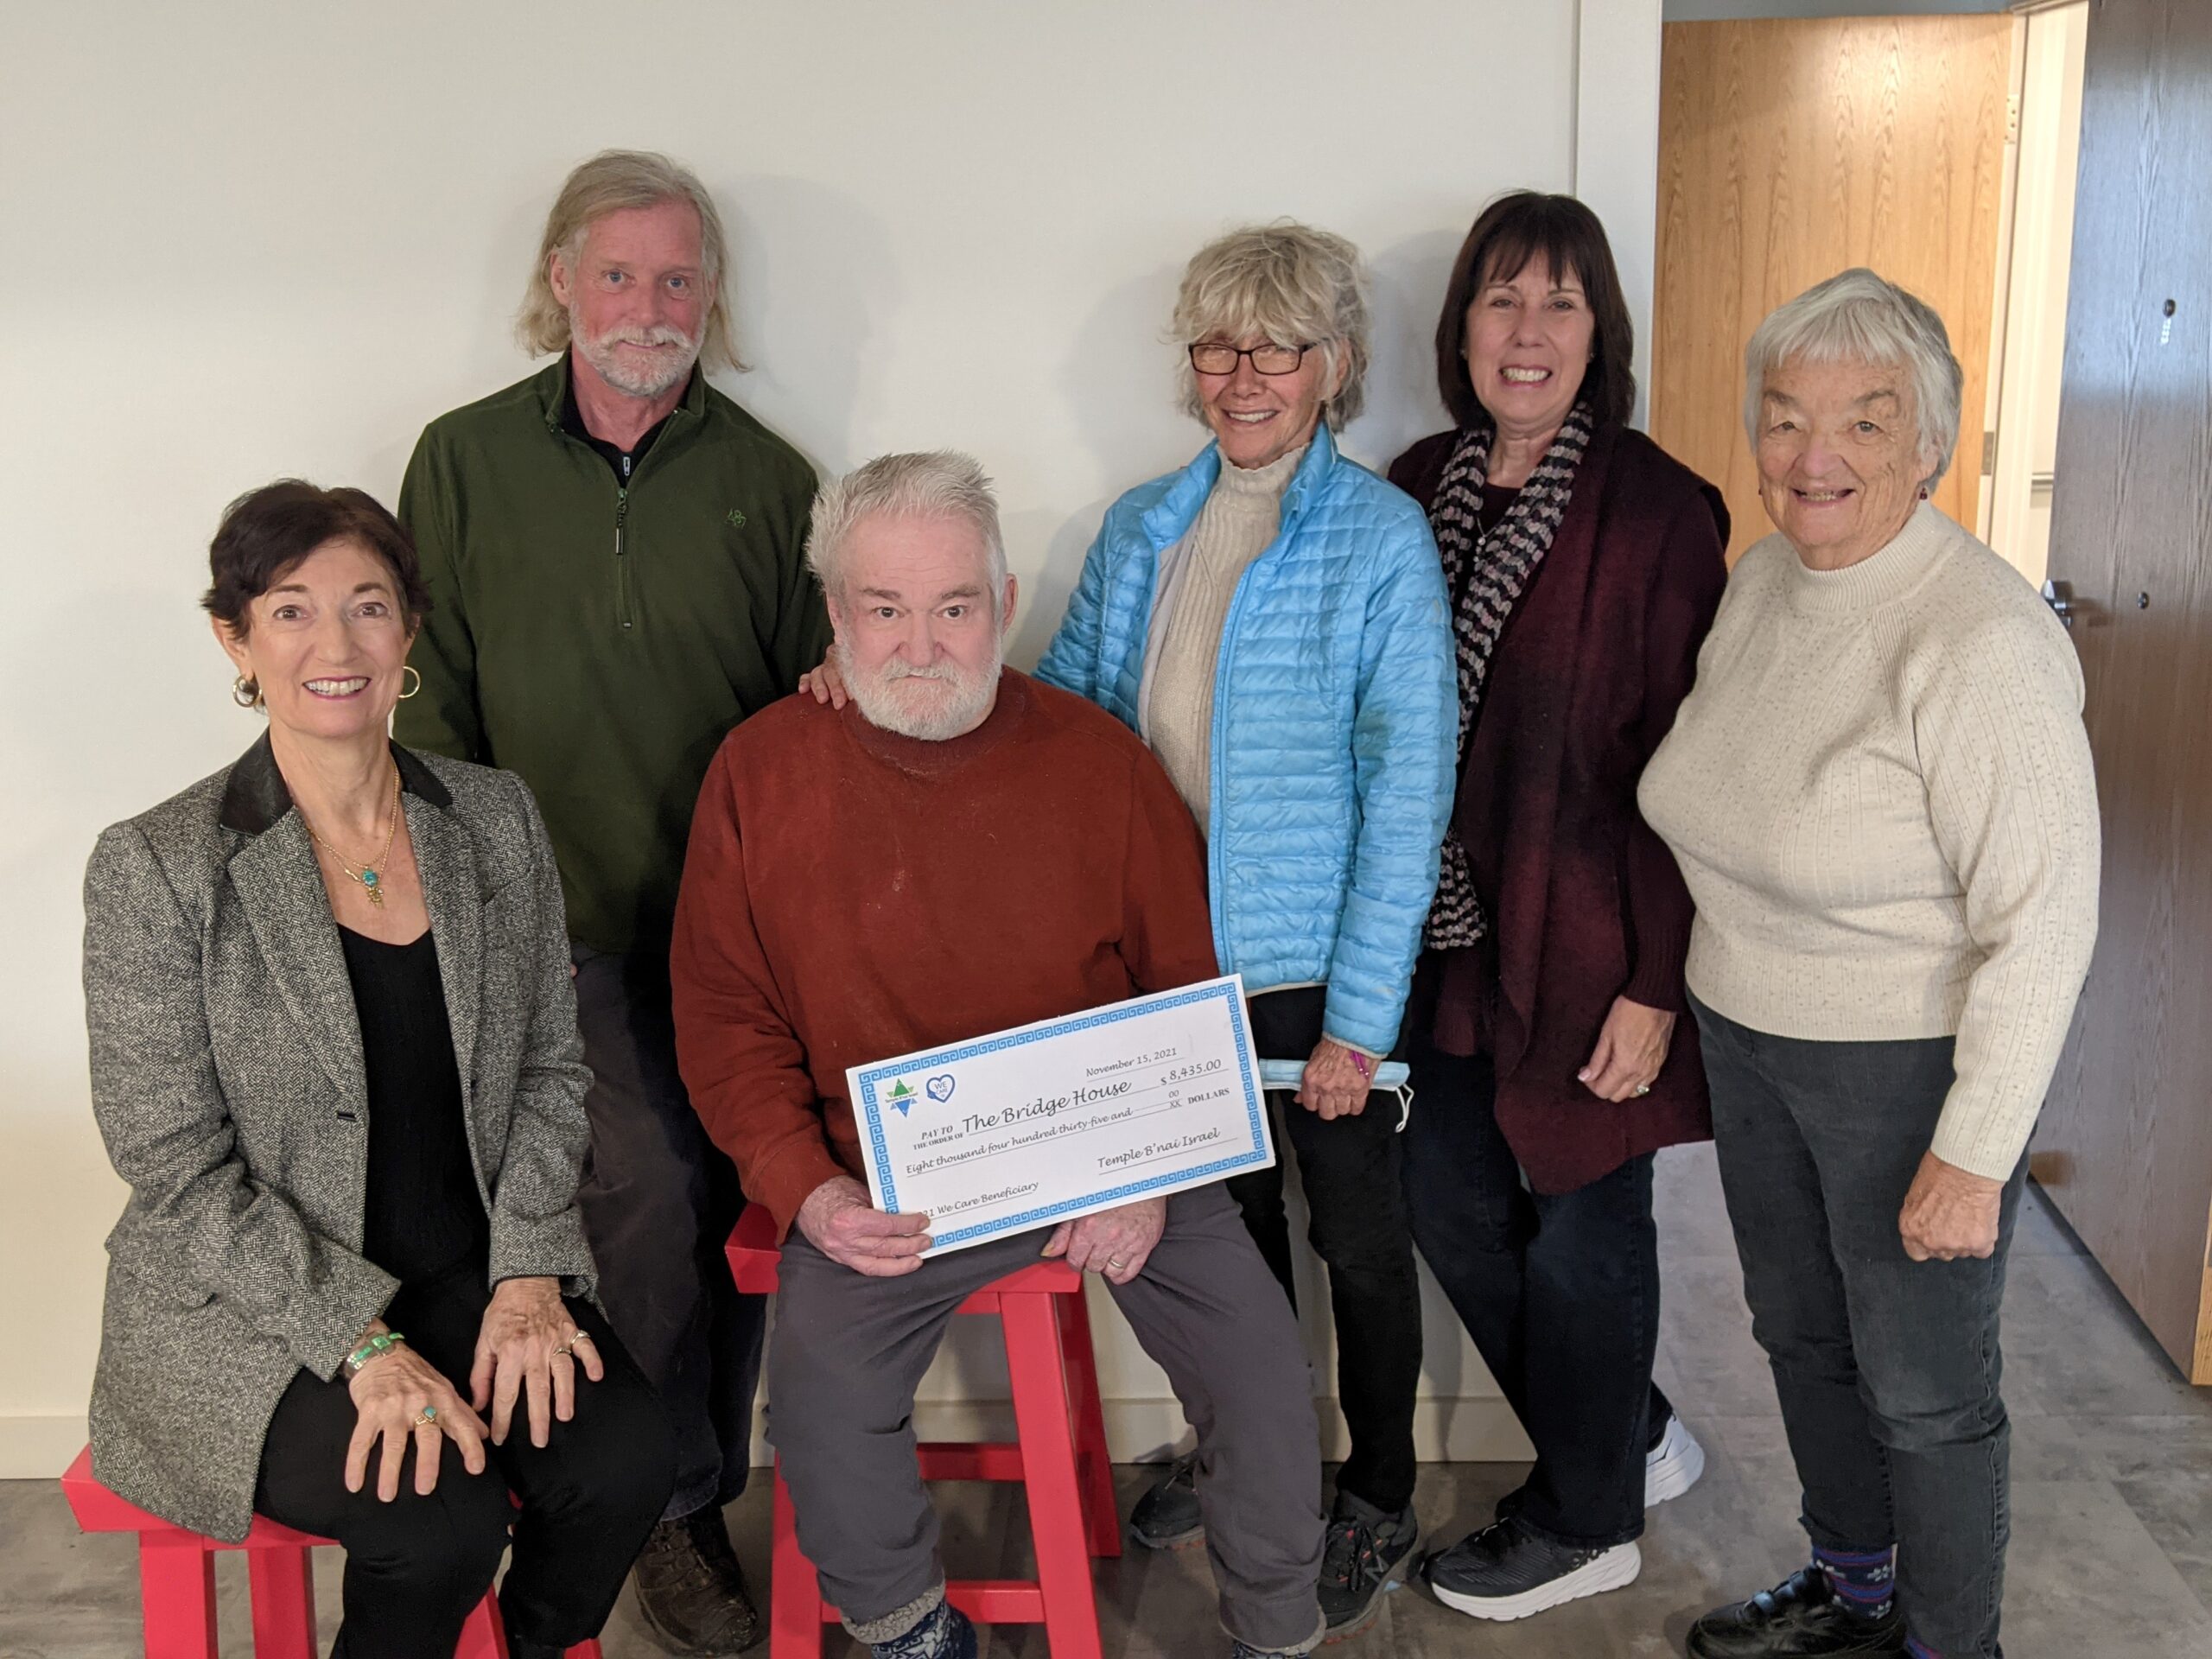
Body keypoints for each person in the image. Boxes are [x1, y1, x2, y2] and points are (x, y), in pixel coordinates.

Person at [795, 223, 1452, 1636]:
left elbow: (1412, 788)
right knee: (1228, 1248)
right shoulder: (1147, 522)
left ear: (1333, 363)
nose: (1244, 375)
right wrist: (892, 663)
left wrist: (1361, 1018)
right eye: (1218, 346)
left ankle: (1379, 1495)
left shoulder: (1379, 536)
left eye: (1278, 346)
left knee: (1358, 1236)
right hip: (1163, 975)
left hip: (1308, 969)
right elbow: (1059, 710)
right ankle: (1253, 1480)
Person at [671, 451, 1331, 1659]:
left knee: (1263, 1374)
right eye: (885, 609)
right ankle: (909, 1628)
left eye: (954, 607)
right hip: (880, 1177)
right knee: (819, 1405)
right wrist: (801, 1186)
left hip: (1118, 1156)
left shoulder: (1099, 763)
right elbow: (725, 1013)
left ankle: (1279, 1632)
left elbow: (1190, 993)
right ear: (837, 616)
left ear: (1005, 601)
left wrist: (1149, 1173)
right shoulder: (760, 772)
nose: (921, 643)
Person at [81, 482, 675, 1659]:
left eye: (367, 606)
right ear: (235, 640)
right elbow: (174, 1169)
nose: (335, 645)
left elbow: (553, 1073)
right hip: (256, 1312)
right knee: (439, 1521)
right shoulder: (155, 866)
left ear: (408, 628)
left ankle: (536, 1646)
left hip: (476, 1275)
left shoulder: (495, 819)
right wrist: (361, 1341)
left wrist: (530, 1275)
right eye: (291, 612)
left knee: (626, 1462)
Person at [395, 149, 828, 1651]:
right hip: (543, 922)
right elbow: (428, 708)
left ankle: (668, 1483)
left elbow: (799, 728)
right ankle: (665, 1504)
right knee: (645, 1195)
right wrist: (469, 920)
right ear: (562, 284)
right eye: (622, 273)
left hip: (731, 931)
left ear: (711, 296)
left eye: (680, 278)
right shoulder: (458, 461)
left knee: (743, 1196)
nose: (651, 306)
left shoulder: (773, 482)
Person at [1641, 269, 2101, 1659]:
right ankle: (1856, 1593)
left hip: (1904, 1065)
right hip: (1752, 1033)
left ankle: (1952, 1647)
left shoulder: (1983, 642)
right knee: (1802, 1338)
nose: (1813, 458)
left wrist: (1975, 1150)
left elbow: (2049, 915)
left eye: (1863, 422)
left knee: (1925, 1392)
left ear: (1932, 442)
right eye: (1785, 420)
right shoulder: (1766, 576)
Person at [1379, 191, 1728, 1623]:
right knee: (1449, 1203)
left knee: (1588, 1228)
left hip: (1593, 937)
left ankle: (1591, 1520)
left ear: (1602, 334)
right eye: (1501, 301)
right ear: (1461, 327)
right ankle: (1631, 1435)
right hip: (1439, 934)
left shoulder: (1659, 509)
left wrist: (1653, 980)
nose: (1528, 334)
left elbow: (1681, 765)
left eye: (1562, 304)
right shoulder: (1413, 481)